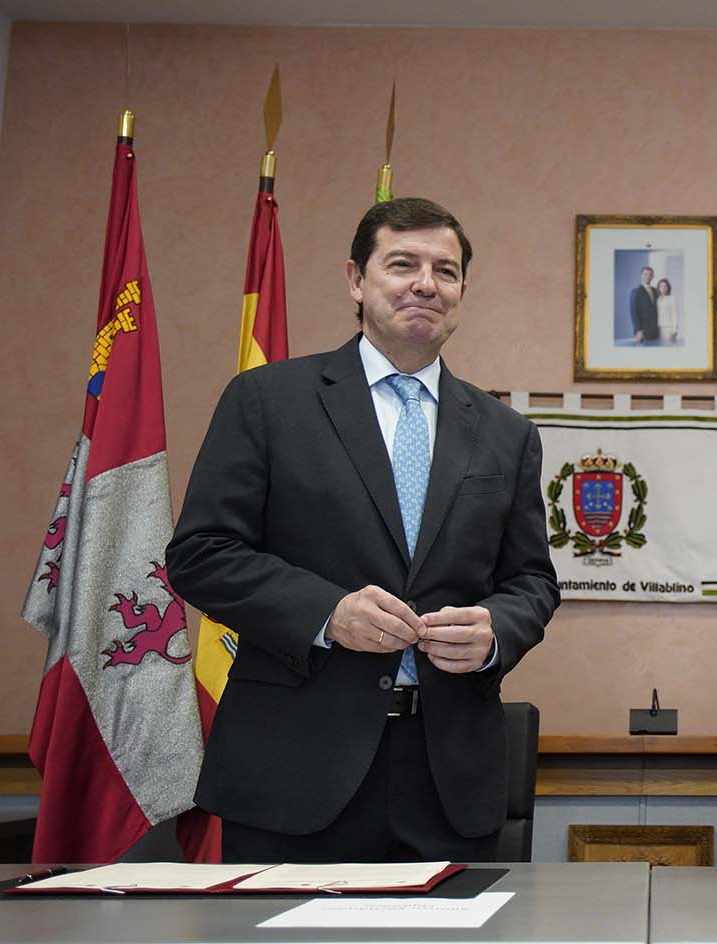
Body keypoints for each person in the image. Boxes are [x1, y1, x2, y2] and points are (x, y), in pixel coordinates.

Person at [167, 197, 560, 863]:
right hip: (294, 771)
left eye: (445, 270)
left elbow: (531, 582)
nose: (426, 284)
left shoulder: (506, 434)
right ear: (355, 279)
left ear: (462, 292)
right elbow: (202, 555)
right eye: (402, 264)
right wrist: (328, 613)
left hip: (448, 780)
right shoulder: (267, 401)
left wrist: (497, 630)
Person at [629, 265, 659, 343]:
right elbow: (633, 312)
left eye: (650, 275)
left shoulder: (655, 291)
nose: (647, 277)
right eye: (645, 274)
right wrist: (638, 330)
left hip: (655, 330)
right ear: (641, 275)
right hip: (643, 331)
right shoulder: (636, 292)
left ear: (652, 276)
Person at [656, 277, 679, 344]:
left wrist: (674, 330)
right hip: (658, 328)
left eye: (665, 286)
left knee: (668, 345)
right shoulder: (657, 299)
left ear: (668, 288)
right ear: (658, 288)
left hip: (668, 328)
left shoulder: (672, 298)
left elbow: (675, 314)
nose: (663, 288)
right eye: (661, 286)